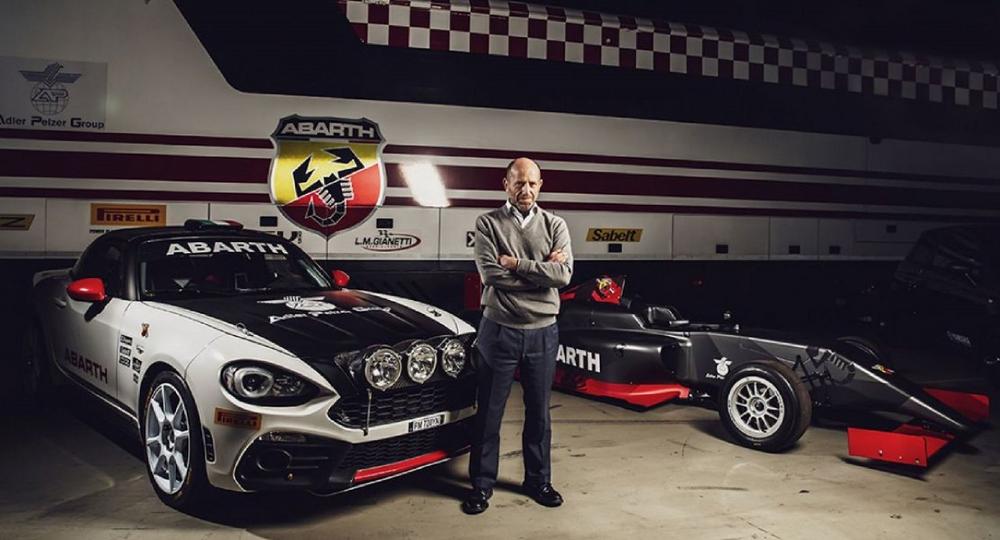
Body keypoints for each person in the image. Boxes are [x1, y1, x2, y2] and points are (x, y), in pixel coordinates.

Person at [462, 157, 573, 515]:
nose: (526, 190)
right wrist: (542, 271)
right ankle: (481, 485)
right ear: (505, 184)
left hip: (543, 332)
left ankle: (538, 481)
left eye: (532, 183)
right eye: (519, 182)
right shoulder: (488, 223)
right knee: (489, 412)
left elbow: (563, 276)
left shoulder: (556, 224)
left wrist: (516, 264)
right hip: (499, 331)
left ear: (541, 185)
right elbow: (491, 275)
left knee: (539, 413)